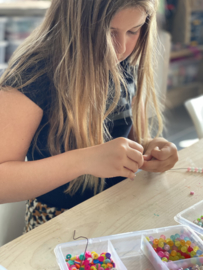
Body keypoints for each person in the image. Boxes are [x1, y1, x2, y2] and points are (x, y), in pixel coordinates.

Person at [0, 0, 178, 232]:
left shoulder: (125, 64)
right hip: (56, 223)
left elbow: (126, 140)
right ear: (72, 23)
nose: (121, 48)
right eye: (108, 32)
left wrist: (149, 148)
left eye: (133, 31)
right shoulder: (33, 76)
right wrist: (85, 161)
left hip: (119, 207)